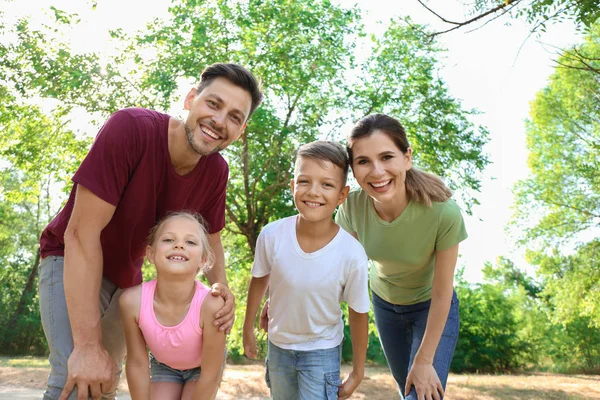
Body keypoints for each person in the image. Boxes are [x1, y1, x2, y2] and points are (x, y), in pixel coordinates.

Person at [37, 63, 263, 400]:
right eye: (213, 104)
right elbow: (81, 235)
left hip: (126, 283)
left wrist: (221, 290)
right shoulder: (131, 129)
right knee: (77, 380)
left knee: (102, 386)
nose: (219, 121)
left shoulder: (216, 170)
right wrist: (86, 345)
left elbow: (212, 238)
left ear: (240, 130)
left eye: (234, 116)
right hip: (71, 258)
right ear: (190, 99)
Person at [335, 114, 467, 400]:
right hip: (385, 306)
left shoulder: (442, 212)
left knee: (420, 393)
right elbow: (335, 272)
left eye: (387, 157)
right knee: (406, 389)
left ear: (407, 158)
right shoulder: (352, 209)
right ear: (353, 170)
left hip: (432, 308)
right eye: (364, 161)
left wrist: (424, 360)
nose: (377, 171)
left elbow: (443, 293)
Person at [243, 141, 370, 400]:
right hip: (278, 347)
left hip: (321, 352)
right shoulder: (272, 235)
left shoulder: (351, 253)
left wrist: (358, 371)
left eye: (327, 185)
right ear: (292, 186)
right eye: (304, 181)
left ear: (341, 195)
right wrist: (248, 326)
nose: (314, 192)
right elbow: (260, 279)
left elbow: (359, 313)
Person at [119, 212, 226, 400]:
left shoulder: (211, 304)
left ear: (203, 260)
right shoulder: (131, 302)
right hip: (164, 365)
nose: (179, 245)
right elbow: (137, 363)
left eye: (191, 242)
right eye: (168, 239)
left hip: (203, 369)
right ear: (150, 254)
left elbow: (210, 375)